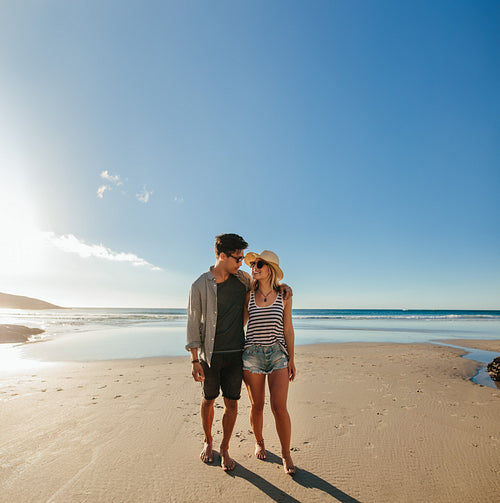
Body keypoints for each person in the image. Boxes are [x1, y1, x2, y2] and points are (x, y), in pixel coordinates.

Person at [186, 233, 250, 471]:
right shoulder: (200, 285)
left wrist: (282, 286)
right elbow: (193, 323)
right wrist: (194, 360)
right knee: (208, 399)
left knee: (232, 403)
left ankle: (224, 447)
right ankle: (208, 440)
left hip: (236, 354)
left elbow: (265, 285)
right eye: (237, 258)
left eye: (242, 258)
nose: (240, 263)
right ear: (222, 256)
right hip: (209, 355)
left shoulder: (243, 281)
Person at [242, 250, 297, 475]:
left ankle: (286, 454)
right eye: (253, 264)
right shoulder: (248, 295)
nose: (254, 267)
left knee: (279, 408)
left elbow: (288, 329)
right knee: (257, 406)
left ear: (270, 269)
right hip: (252, 355)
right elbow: (240, 323)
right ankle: (260, 442)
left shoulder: (285, 295)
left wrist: (292, 358)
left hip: (278, 355)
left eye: (260, 264)